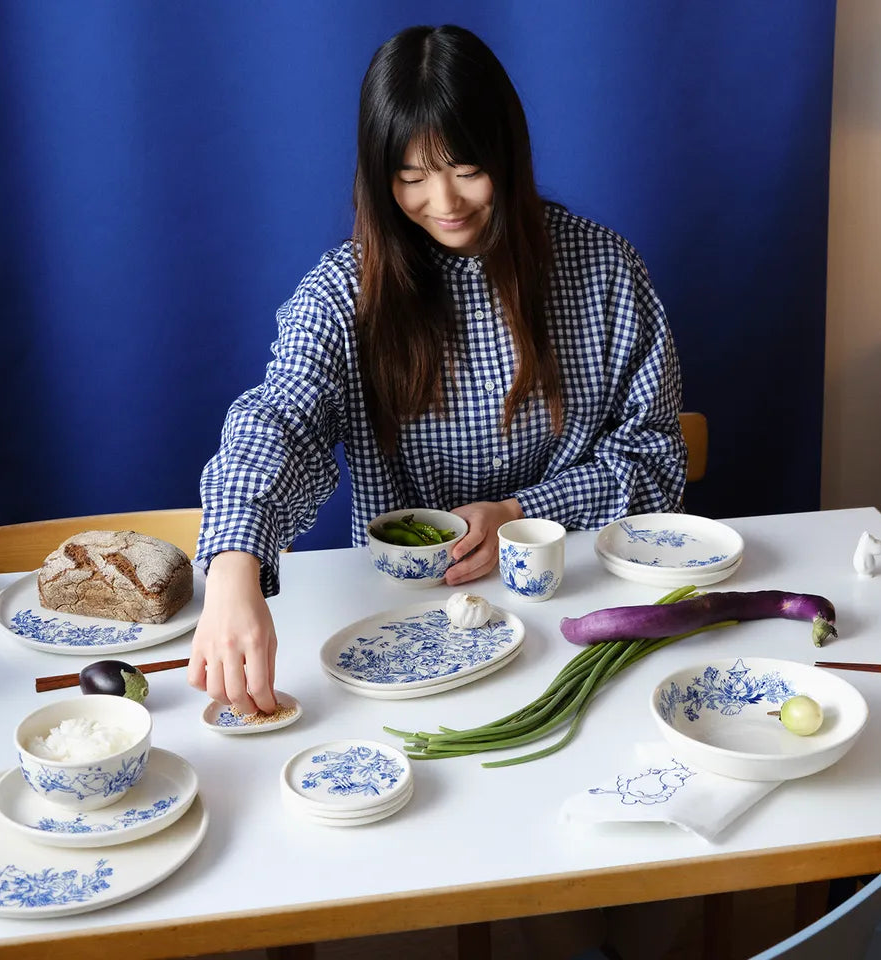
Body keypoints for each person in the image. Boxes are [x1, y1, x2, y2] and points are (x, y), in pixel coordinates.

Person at [190, 23, 687, 718]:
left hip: (582, 611)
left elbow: (657, 459)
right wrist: (235, 565)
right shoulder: (346, 290)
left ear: (507, 155)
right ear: (378, 174)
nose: (445, 204)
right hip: (408, 626)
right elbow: (280, 415)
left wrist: (518, 514)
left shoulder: (602, 269)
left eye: (466, 169)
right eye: (412, 177)